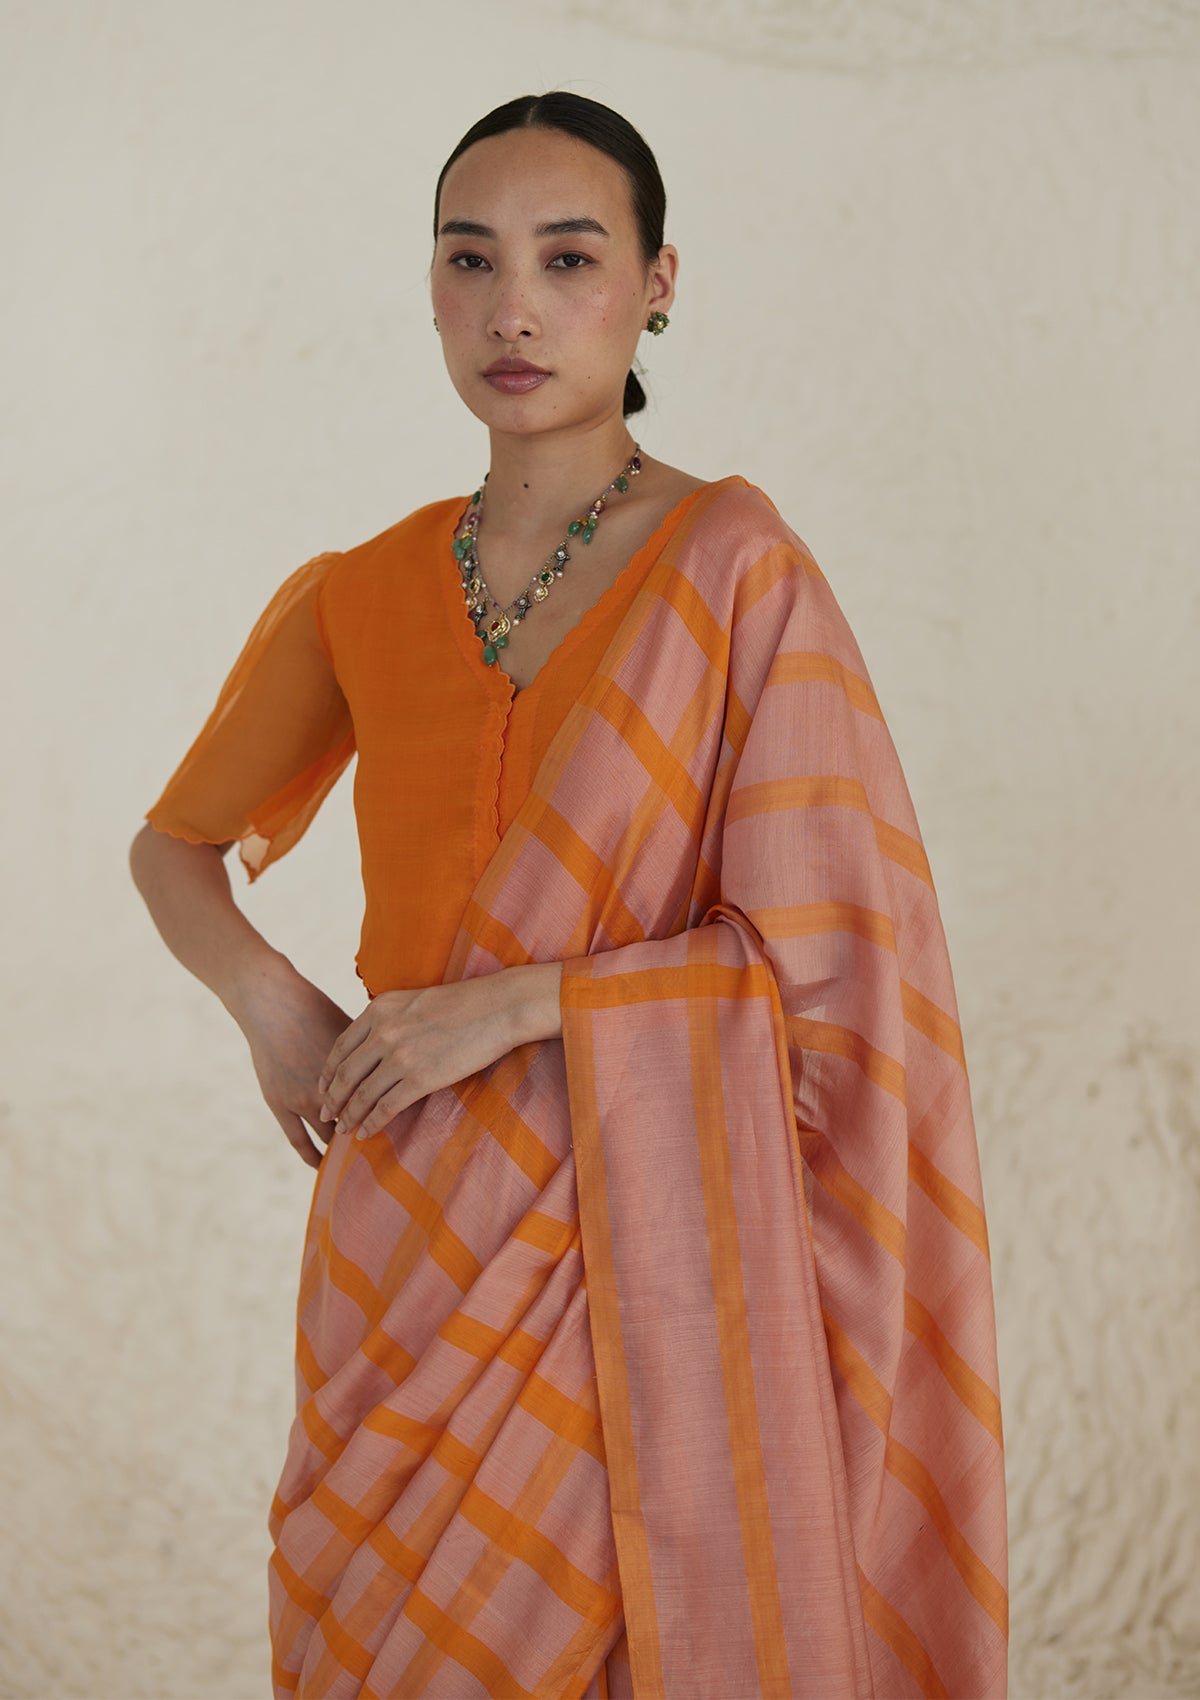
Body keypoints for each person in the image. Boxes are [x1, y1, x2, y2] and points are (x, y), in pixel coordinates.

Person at [130, 91, 1007, 1700]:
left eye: (569, 257)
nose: (513, 307)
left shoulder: (736, 568)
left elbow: (839, 961)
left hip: (645, 1244)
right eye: (471, 261)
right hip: (407, 1242)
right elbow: (174, 845)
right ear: (432, 289)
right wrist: (276, 1011)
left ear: (659, 282)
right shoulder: (365, 589)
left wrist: (526, 1005)